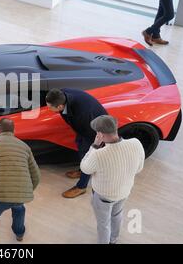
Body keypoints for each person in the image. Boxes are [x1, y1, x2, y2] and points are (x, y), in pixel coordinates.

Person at [80, 115, 145, 244]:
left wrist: (95, 145)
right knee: (117, 215)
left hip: (104, 196)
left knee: (103, 224)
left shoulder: (99, 154)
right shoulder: (136, 143)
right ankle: (113, 240)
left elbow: (85, 168)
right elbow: (139, 168)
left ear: (100, 134)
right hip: (124, 192)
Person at [45, 88, 107, 198]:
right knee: (79, 144)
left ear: (59, 106)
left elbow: (89, 132)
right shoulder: (61, 95)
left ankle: (81, 186)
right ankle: (81, 170)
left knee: (87, 156)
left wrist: (94, 147)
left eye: (50, 107)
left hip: (94, 130)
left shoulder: (82, 113)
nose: (48, 108)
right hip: (83, 126)